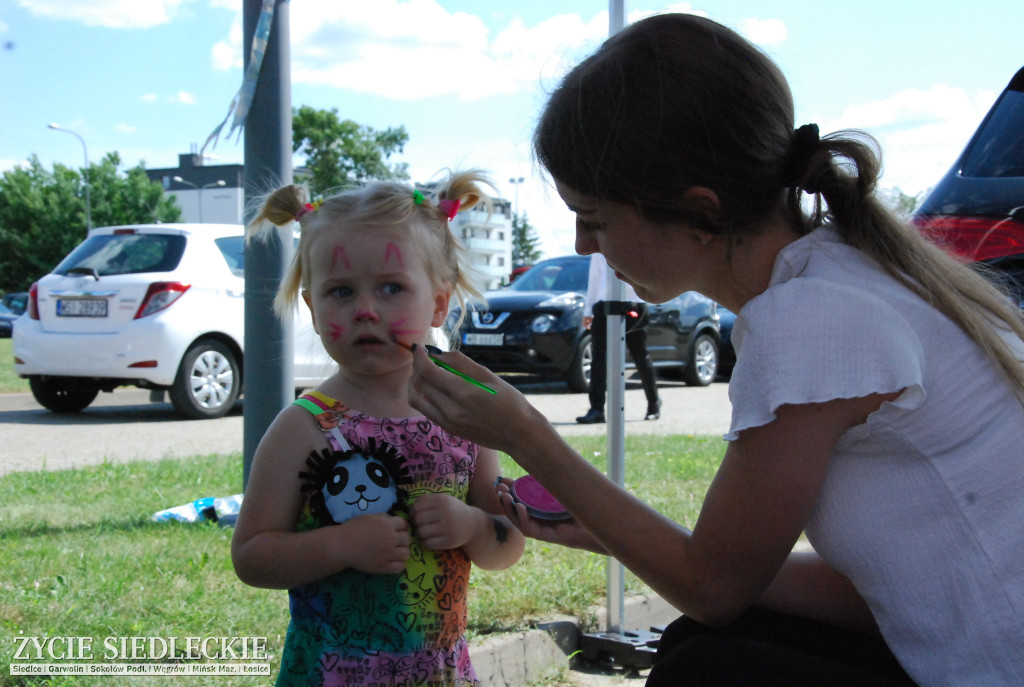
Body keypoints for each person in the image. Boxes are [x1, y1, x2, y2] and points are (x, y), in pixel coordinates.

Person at [406, 14, 1024, 687]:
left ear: (699, 212)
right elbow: (880, 594)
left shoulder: (811, 320)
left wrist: (526, 434)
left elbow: (714, 585)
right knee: (706, 644)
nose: (585, 246)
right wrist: (606, 528)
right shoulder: (844, 280)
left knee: (706, 667)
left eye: (596, 218)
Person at [232, 171, 525, 687]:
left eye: (392, 288)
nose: (366, 309)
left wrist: (473, 526)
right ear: (314, 310)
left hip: (440, 672)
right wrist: (339, 547)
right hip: (333, 673)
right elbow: (252, 556)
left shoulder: (462, 417)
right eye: (341, 291)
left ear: (438, 302)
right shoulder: (303, 429)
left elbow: (508, 543)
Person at [576, 253, 661, 424]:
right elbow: (595, 276)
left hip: (633, 303)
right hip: (604, 305)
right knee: (599, 358)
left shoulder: (633, 240)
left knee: (640, 356)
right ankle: (597, 409)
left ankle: (653, 403)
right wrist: (588, 310)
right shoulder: (599, 246)